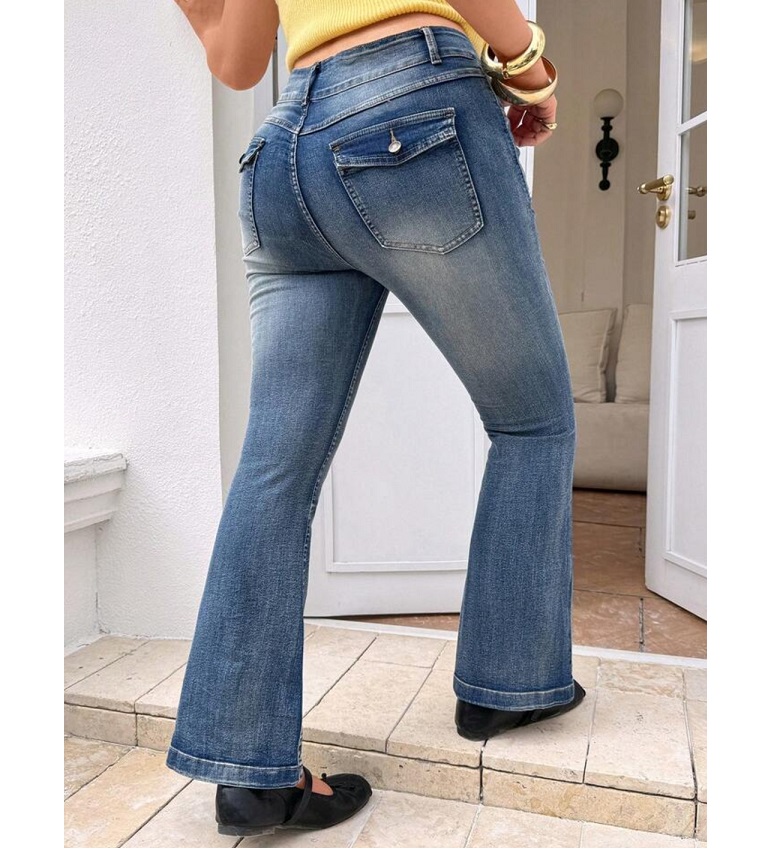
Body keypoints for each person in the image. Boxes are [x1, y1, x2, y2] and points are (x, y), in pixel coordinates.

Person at [168, 0, 585, 838]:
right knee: (533, 421)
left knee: (275, 469)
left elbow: (237, 62)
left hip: (283, 152)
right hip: (413, 110)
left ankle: (247, 774)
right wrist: (529, 69)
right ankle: (507, 685)